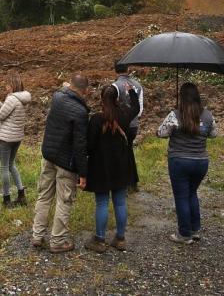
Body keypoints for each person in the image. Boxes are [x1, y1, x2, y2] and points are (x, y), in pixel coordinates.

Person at [32, 75, 89, 253]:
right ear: (85, 91)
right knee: (64, 200)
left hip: (48, 154)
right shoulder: (80, 112)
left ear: (70, 85)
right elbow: (80, 145)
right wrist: (83, 173)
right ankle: (57, 241)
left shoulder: (57, 97)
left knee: (44, 195)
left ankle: (37, 235)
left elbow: (63, 88)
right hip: (66, 161)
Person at [157, 82, 217, 244]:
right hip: (201, 161)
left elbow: (161, 133)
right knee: (192, 193)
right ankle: (195, 229)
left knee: (181, 196)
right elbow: (213, 134)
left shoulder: (175, 115)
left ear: (181, 97)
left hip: (179, 161)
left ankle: (184, 234)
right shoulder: (208, 115)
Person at [84, 84, 140, 253]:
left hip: (101, 167)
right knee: (120, 202)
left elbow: (89, 146)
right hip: (122, 165)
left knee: (101, 203)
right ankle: (120, 238)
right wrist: (131, 91)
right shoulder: (124, 115)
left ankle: (100, 240)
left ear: (101, 99)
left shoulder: (95, 119)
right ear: (117, 99)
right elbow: (136, 107)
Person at [0, 73, 31, 208]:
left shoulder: (11, 99)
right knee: (12, 165)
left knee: (4, 167)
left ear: (12, 85)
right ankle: (21, 194)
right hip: (17, 137)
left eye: (7, 84)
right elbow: (8, 112)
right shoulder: (23, 98)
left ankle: (6, 199)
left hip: (6, 138)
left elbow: (1, 116)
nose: (5, 87)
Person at [112, 62, 143, 190]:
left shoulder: (114, 86)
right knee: (129, 151)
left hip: (120, 126)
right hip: (134, 125)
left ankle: (123, 182)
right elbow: (140, 109)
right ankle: (132, 182)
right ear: (128, 69)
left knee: (120, 153)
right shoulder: (138, 85)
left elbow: (112, 108)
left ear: (115, 70)